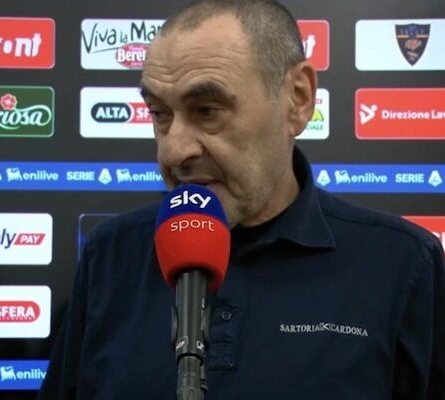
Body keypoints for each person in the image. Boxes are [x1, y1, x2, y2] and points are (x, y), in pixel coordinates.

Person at [38, 0, 445, 398]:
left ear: (298, 98)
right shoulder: (109, 257)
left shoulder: (404, 264)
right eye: (160, 114)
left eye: (207, 111)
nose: (173, 151)